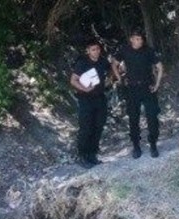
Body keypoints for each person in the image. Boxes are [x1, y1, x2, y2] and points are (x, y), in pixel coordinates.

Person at [111, 29, 163, 159]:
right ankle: (136, 146)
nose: (140, 41)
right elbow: (114, 63)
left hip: (147, 87)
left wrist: (157, 84)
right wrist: (120, 79)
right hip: (132, 88)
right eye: (137, 39)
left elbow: (160, 67)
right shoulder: (125, 50)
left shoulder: (148, 51)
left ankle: (153, 144)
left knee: (152, 117)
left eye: (141, 39)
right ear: (131, 39)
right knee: (133, 118)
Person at [69, 38, 111, 169]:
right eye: (93, 49)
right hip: (85, 100)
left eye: (98, 49)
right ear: (88, 51)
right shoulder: (82, 63)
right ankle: (82, 155)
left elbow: (111, 70)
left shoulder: (103, 61)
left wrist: (110, 80)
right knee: (86, 127)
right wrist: (85, 89)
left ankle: (92, 154)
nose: (96, 51)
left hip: (100, 98)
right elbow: (73, 80)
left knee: (98, 126)